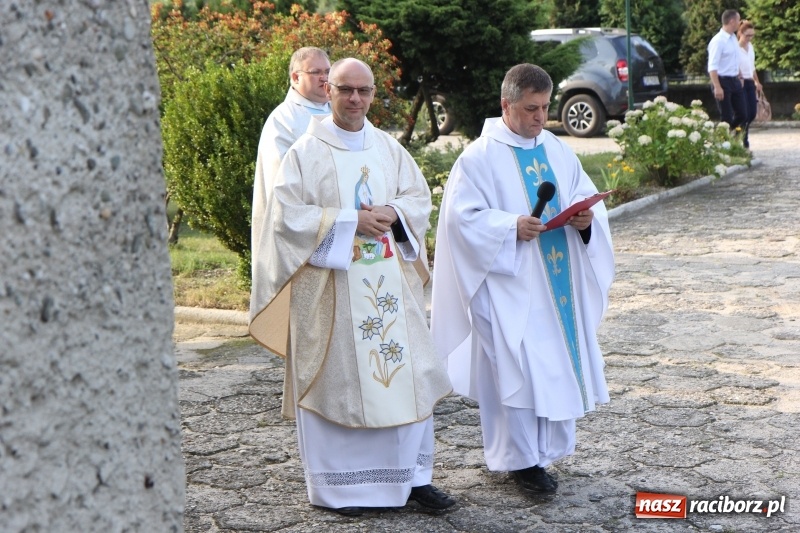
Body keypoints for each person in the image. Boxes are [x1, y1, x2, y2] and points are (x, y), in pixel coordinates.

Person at [249, 57, 455, 516]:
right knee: (336, 384)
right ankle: (342, 489)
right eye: (345, 89)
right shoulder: (305, 151)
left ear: (373, 94)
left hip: (387, 285)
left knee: (411, 377)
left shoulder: (386, 148)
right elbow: (285, 217)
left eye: (364, 91)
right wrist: (349, 221)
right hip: (333, 290)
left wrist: (393, 215)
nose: (355, 99)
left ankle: (414, 479)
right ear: (328, 91)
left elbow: (417, 198)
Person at [430, 64, 615, 495]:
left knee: (551, 366)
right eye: (531, 109)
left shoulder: (555, 148)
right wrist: (509, 226)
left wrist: (584, 218)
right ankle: (520, 461)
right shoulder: (478, 158)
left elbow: (579, 195)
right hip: (506, 285)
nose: (540, 117)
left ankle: (547, 452)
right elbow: (461, 221)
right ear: (505, 105)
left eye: (546, 107)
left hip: (556, 286)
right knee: (516, 370)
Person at [251, 47, 332, 259]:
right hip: (303, 226)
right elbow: (281, 179)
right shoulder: (284, 120)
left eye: (327, 71)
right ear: (296, 77)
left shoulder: (339, 111)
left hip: (342, 222)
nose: (324, 78)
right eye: (316, 72)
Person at [708, 9, 747, 132]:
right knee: (726, 116)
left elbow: (735, 59)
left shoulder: (733, 38)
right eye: (738, 20)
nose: (739, 22)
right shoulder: (718, 41)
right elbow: (712, 66)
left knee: (743, 114)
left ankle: (730, 134)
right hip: (722, 80)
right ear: (732, 21)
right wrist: (717, 86)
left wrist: (740, 76)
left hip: (734, 80)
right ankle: (724, 141)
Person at [737, 20, 762, 149]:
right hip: (739, 83)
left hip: (750, 82)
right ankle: (743, 138)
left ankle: (741, 132)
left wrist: (757, 81)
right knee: (744, 113)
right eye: (747, 35)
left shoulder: (750, 47)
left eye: (752, 35)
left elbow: (752, 67)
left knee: (752, 113)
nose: (749, 38)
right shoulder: (735, 48)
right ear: (740, 33)